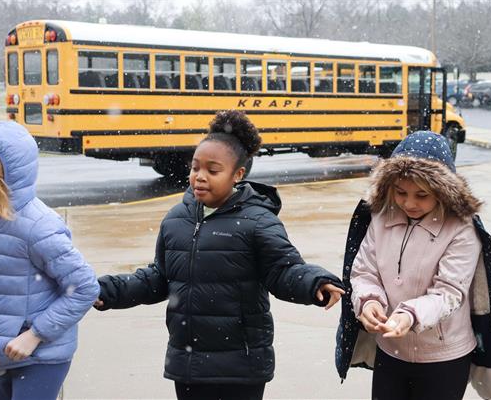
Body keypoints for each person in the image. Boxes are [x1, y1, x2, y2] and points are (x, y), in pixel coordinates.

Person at [94, 110, 345, 400]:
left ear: (238, 174)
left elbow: (283, 270)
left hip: (241, 365)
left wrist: (314, 282)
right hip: (188, 363)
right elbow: (159, 278)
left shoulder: (258, 221)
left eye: (212, 171)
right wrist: (107, 291)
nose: (199, 177)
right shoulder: (176, 219)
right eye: (195, 168)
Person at [335, 131, 491, 400]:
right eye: (400, 192)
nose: (409, 203)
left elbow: (449, 292)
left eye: (422, 195)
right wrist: (369, 301)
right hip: (391, 350)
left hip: (445, 357)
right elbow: (364, 271)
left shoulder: (461, 229)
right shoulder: (381, 218)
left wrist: (409, 315)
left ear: (442, 191)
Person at [0, 121, 100, 400]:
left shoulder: (38, 226)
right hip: (3, 356)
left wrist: (34, 335)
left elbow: (84, 288)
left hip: (41, 357)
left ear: (11, 172)